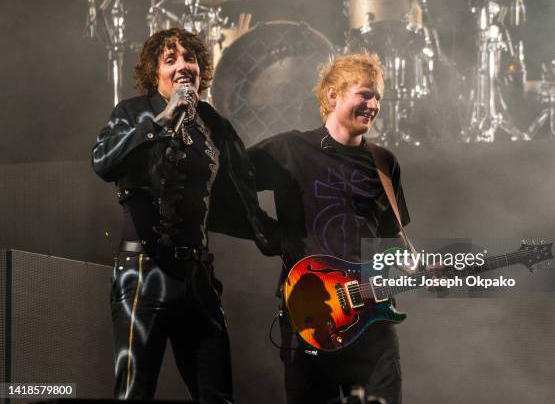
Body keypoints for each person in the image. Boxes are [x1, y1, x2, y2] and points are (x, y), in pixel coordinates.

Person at [91, 28, 277, 403]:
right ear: (154, 72)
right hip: (143, 276)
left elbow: (236, 203)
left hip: (198, 278)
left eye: (189, 58)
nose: (182, 66)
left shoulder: (215, 124)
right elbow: (102, 161)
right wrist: (162, 118)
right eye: (170, 59)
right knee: (134, 394)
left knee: (217, 395)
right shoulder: (132, 112)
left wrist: (287, 239)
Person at [247, 53, 410, 404]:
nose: (374, 104)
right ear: (333, 95)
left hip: (374, 321)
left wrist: (416, 264)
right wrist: (268, 233)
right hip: (311, 314)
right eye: (366, 94)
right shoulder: (289, 149)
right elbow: (227, 184)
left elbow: (392, 236)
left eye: (379, 96)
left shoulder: (384, 163)